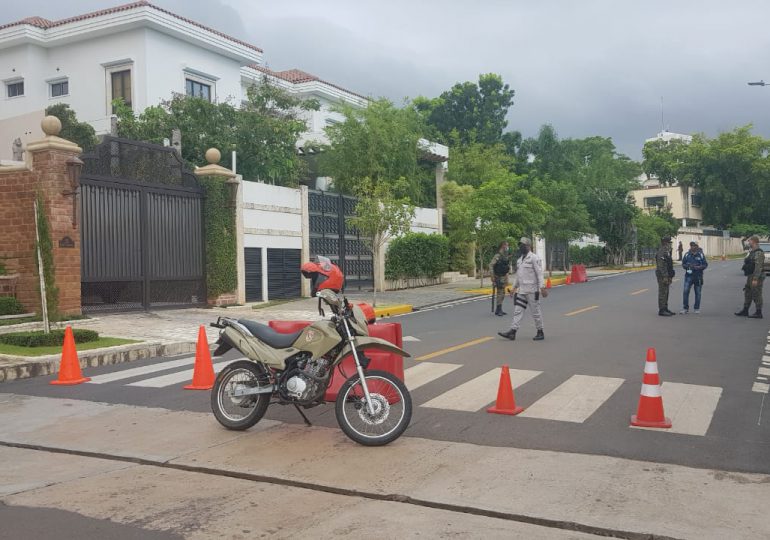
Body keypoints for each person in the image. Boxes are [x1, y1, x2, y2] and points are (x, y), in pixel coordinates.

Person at [498, 237, 548, 341]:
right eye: (520, 245)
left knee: (535, 312)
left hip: (532, 291)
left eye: (523, 245)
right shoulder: (519, 260)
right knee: (517, 311)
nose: (521, 247)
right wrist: (513, 288)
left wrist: (542, 287)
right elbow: (518, 276)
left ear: (528, 246)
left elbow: (539, 274)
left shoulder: (534, 258)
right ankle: (512, 332)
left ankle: (540, 331)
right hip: (522, 291)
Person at [735, 235, 765, 319]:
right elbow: (745, 248)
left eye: (750, 241)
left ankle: (758, 312)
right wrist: (742, 241)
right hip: (750, 275)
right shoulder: (752, 251)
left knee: (756, 293)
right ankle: (745, 310)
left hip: (756, 276)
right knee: (748, 292)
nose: (749, 242)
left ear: (754, 241)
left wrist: (755, 279)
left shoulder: (758, 252)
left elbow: (758, 266)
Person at [680, 241, 708, 314]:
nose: (693, 247)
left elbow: (705, 264)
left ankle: (696, 308)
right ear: (690, 246)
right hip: (688, 276)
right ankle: (685, 308)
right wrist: (688, 266)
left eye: (695, 245)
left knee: (698, 293)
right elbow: (683, 264)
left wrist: (699, 267)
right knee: (685, 292)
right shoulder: (687, 255)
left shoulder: (701, 255)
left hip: (698, 276)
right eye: (692, 245)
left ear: (697, 246)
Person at [489, 241, 511, 316]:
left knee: (502, 293)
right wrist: (492, 276)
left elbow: (506, 268)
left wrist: (507, 278)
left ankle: (499, 309)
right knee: (500, 293)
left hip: (503, 276)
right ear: (503, 246)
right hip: (498, 277)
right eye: (506, 245)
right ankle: (498, 310)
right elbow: (491, 265)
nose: (507, 247)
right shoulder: (497, 255)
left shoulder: (504, 255)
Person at [656, 236, 676, 316]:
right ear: (664, 243)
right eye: (668, 243)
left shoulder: (667, 251)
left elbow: (669, 264)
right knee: (663, 292)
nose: (669, 244)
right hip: (662, 275)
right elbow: (661, 265)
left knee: (666, 292)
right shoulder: (661, 251)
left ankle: (665, 308)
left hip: (667, 275)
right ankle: (661, 310)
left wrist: (670, 275)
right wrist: (664, 276)